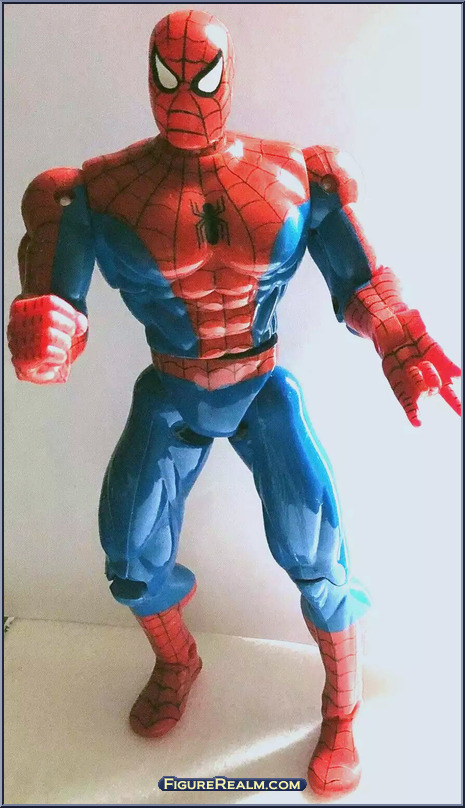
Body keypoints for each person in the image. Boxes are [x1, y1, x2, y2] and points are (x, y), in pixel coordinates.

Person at [7, 9, 460, 796]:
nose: (185, 96)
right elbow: (56, 303)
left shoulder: (296, 175)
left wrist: (401, 338)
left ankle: (342, 708)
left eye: (202, 76)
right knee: (129, 554)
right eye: (169, 77)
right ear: (148, 78)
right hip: (171, 388)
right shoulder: (91, 193)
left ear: (229, 77)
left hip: (260, 385)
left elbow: (360, 279)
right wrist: (43, 332)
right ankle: (178, 661)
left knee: (318, 556)